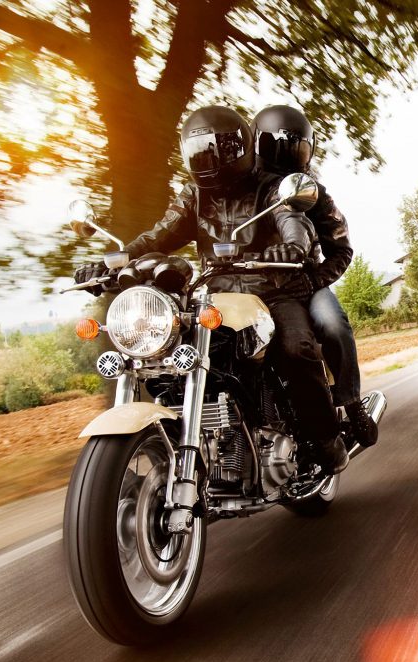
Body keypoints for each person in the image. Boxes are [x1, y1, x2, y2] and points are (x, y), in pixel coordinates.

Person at [73, 105, 348, 474]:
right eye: (200, 150)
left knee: (297, 349)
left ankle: (326, 440)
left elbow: (290, 219)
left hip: (271, 290)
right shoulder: (194, 195)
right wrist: (111, 263)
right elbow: (159, 235)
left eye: (219, 149)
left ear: (241, 148)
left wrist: (292, 247)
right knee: (163, 354)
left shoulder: (269, 185)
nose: (210, 158)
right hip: (214, 295)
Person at [251, 104, 377, 447]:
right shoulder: (243, 190)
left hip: (305, 283)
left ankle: (351, 404)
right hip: (251, 288)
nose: (290, 154)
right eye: (283, 145)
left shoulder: (313, 192)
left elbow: (341, 249)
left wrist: (314, 280)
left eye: (298, 147)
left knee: (333, 325)